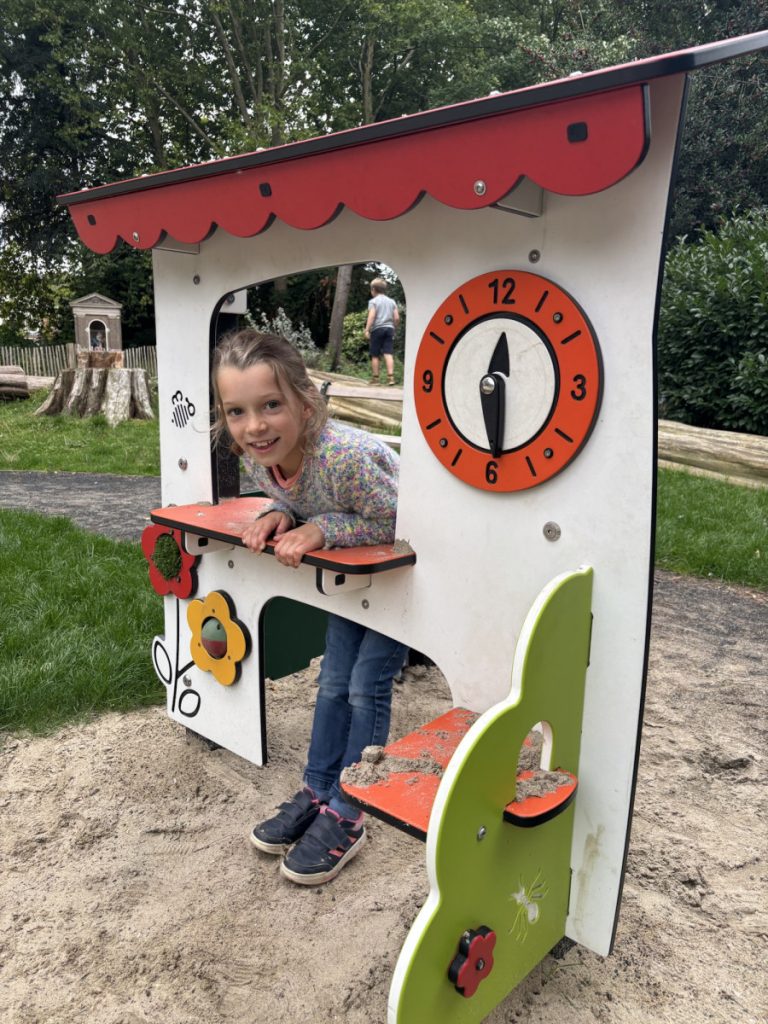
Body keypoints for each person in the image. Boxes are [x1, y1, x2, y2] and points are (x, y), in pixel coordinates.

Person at [211, 328, 407, 885]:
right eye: (237, 411)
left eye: (271, 405)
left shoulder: (347, 458)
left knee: (365, 685)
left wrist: (323, 528)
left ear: (306, 404)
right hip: (354, 578)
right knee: (333, 680)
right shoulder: (260, 458)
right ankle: (319, 789)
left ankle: (350, 810)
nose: (255, 426)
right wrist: (282, 513)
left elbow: (402, 521)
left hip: (404, 581)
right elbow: (295, 495)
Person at [364, 277, 400, 386]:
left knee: (375, 354)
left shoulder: (373, 301)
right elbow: (396, 318)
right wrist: (394, 328)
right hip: (389, 329)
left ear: (373, 289)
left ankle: (376, 379)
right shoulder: (392, 301)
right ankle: (391, 378)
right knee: (388, 353)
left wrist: (367, 329)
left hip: (377, 329)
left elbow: (372, 316)